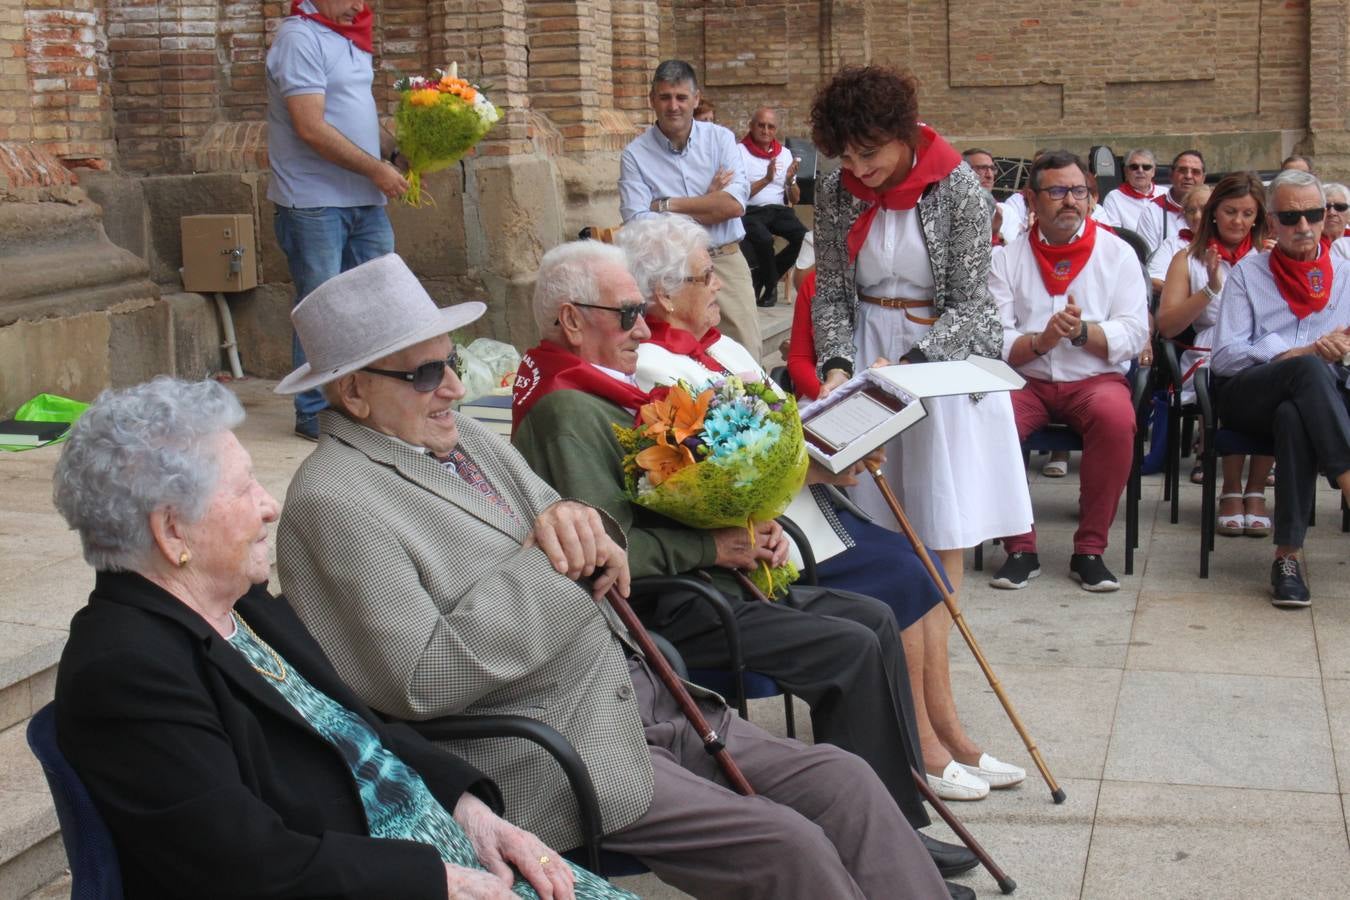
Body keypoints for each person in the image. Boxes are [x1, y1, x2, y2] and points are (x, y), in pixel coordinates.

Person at [274, 254, 955, 899]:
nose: (453, 386)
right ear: (353, 392)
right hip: (550, 745)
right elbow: (419, 679)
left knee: (846, 781)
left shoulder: (459, 436)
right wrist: (556, 566)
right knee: (786, 845)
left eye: (449, 361)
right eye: (423, 375)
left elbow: (571, 522)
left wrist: (586, 532)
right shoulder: (333, 502)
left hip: (639, 689)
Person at [510, 242, 983, 894]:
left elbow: (657, 501)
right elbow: (606, 560)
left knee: (872, 619)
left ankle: (892, 832)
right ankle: (880, 849)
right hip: (662, 610)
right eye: (625, 314)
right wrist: (716, 546)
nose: (642, 328)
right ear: (570, 320)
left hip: (701, 585)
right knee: (847, 646)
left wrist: (742, 524)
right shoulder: (565, 405)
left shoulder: (599, 386)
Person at [51, 377, 624, 900]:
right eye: (244, 488)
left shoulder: (241, 604)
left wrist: (473, 813)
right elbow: (240, 863)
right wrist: (441, 882)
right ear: (172, 529)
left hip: (439, 862)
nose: (269, 505)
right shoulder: (126, 669)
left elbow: (362, 728)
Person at [617, 213, 1025, 800]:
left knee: (921, 559)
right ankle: (924, 751)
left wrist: (841, 442)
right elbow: (726, 465)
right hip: (775, 536)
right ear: (663, 295)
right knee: (904, 573)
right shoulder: (659, 365)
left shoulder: (723, 345)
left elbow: (781, 426)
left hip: (808, 511)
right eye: (707, 274)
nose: (719, 284)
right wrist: (825, 463)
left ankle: (947, 730)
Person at [808, 65, 1033, 606]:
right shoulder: (839, 190)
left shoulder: (957, 187)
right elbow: (832, 290)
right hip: (868, 348)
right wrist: (836, 367)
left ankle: (937, 644)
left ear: (902, 135)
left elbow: (971, 304)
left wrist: (910, 364)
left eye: (870, 153)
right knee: (871, 507)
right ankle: (893, 636)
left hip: (937, 356)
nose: (859, 169)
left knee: (934, 516)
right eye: (847, 157)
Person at [988, 150, 1150, 592]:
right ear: (1031, 198)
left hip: (1093, 380)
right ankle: (1020, 547)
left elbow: (1136, 333)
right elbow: (993, 337)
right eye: (1057, 191)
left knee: (1118, 421)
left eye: (1078, 191)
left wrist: (1082, 333)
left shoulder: (1117, 253)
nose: (1070, 201)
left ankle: (1090, 550)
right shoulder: (1005, 259)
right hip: (1026, 380)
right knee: (988, 418)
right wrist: (1040, 341)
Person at [266, 0, 409, 441]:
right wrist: (376, 170)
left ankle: (367, 402)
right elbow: (310, 127)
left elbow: (358, 116)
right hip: (314, 201)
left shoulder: (350, 37)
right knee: (322, 308)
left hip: (364, 201)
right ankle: (314, 411)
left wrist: (399, 151)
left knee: (380, 300)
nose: (359, 6)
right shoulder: (299, 37)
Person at [1210, 169, 1350, 608]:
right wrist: (1295, 351)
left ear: (1325, 215)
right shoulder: (1247, 274)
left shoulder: (1345, 271)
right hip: (1250, 392)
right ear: (1270, 223)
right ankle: (1347, 479)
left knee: (1296, 412)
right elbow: (1225, 356)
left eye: (1312, 214)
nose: (1303, 227)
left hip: (1316, 397)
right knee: (1305, 370)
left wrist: (1340, 350)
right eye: (1291, 217)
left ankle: (1287, 558)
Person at [618, 60, 760, 353]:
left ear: (695, 99)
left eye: (681, 97)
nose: (674, 106)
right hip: (671, 272)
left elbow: (733, 205)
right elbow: (639, 225)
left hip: (724, 261)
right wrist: (707, 201)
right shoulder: (635, 155)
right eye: (665, 97)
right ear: (652, 100)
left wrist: (666, 205)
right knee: (680, 359)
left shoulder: (720, 139)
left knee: (746, 353)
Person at [1156, 172, 1272, 529]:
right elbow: (1167, 326)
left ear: (1258, 218)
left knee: (1278, 379)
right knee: (1234, 377)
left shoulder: (1269, 255)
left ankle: (1256, 488)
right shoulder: (1187, 258)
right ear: (1214, 213)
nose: (1238, 221)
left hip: (1263, 348)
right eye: (1230, 211)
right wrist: (1209, 288)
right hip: (1209, 351)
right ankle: (1232, 487)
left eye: (1248, 214)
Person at [738, 107, 805, 308]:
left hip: (778, 209)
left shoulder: (783, 153)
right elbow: (739, 195)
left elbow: (796, 198)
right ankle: (771, 287)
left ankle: (765, 277)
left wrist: (791, 180)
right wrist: (767, 179)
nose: (765, 131)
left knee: (804, 238)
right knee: (764, 239)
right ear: (751, 126)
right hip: (751, 210)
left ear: (776, 130)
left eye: (771, 127)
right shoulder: (738, 151)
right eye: (761, 125)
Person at [1136, 150, 1206, 258]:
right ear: (1171, 175)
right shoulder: (1152, 212)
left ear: (1203, 178)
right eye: (1182, 170)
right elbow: (1148, 259)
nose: (1188, 176)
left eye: (1195, 172)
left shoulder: (1214, 210)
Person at [1098, 149, 1165, 232]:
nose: (1140, 170)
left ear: (1153, 172)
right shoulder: (1114, 198)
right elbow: (1114, 233)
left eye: (1146, 167)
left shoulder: (1166, 193)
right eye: (1134, 167)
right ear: (1126, 171)